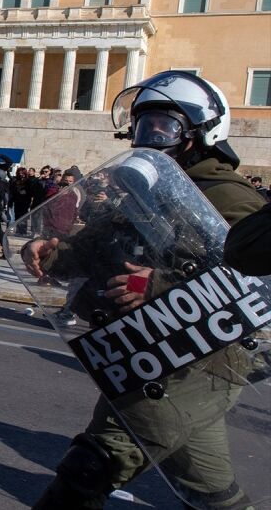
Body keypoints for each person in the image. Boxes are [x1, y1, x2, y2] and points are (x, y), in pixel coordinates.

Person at [31, 71, 266, 510]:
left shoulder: (227, 196)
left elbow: (254, 277)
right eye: (143, 125)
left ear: (199, 133)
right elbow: (103, 246)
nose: (150, 136)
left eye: (164, 125)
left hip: (193, 360)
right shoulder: (149, 188)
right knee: (212, 493)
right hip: (150, 354)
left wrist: (157, 284)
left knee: (91, 467)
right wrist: (53, 253)